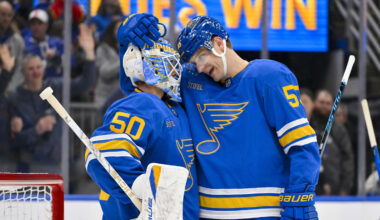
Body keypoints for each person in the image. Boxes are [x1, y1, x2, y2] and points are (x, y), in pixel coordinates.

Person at [120, 14, 321, 219]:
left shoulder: (270, 76)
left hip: (266, 214)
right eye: (192, 62)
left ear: (218, 43)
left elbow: (302, 144)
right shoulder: (190, 81)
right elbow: (142, 88)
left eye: (200, 57)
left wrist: (301, 193)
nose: (198, 67)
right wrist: (126, 49)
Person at [85, 35, 199, 219]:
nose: (176, 69)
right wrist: (140, 185)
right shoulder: (140, 104)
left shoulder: (172, 106)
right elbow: (104, 155)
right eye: (169, 63)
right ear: (153, 65)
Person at [8, 24, 96, 173]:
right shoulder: (15, 99)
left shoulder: (56, 86)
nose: (36, 72)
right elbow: (13, 140)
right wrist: (37, 130)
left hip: (58, 165)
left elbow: (85, 83)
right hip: (29, 167)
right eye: (31, 69)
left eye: (38, 67)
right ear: (23, 72)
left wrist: (89, 53)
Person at [310, 90, 354, 196]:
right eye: (321, 102)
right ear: (315, 103)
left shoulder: (339, 129)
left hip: (335, 191)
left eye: (328, 103)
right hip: (310, 187)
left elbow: (347, 160)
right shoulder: (307, 125)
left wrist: (345, 188)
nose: (324, 106)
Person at [25, 9, 63, 79]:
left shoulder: (58, 42)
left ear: (46, 25)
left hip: (57, 84)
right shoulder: (25, 44)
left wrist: (56, 57)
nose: (36, 27)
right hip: (37, 86)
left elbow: (71, 62)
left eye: (40, 23)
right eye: (33, 24)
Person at [94, 19, 121, 108]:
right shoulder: (103, 49)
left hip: (125, 102)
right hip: (105, 102)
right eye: (119, 29)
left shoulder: (132, 49)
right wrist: (124, 61)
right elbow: (104, 72)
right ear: (112, 31)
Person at [0, 0, 25, 92]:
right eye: (2, 14)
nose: (6, 18)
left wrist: (10, 90)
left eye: (9, 15)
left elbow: (20, 69)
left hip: (9, 93)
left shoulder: (18, 41)